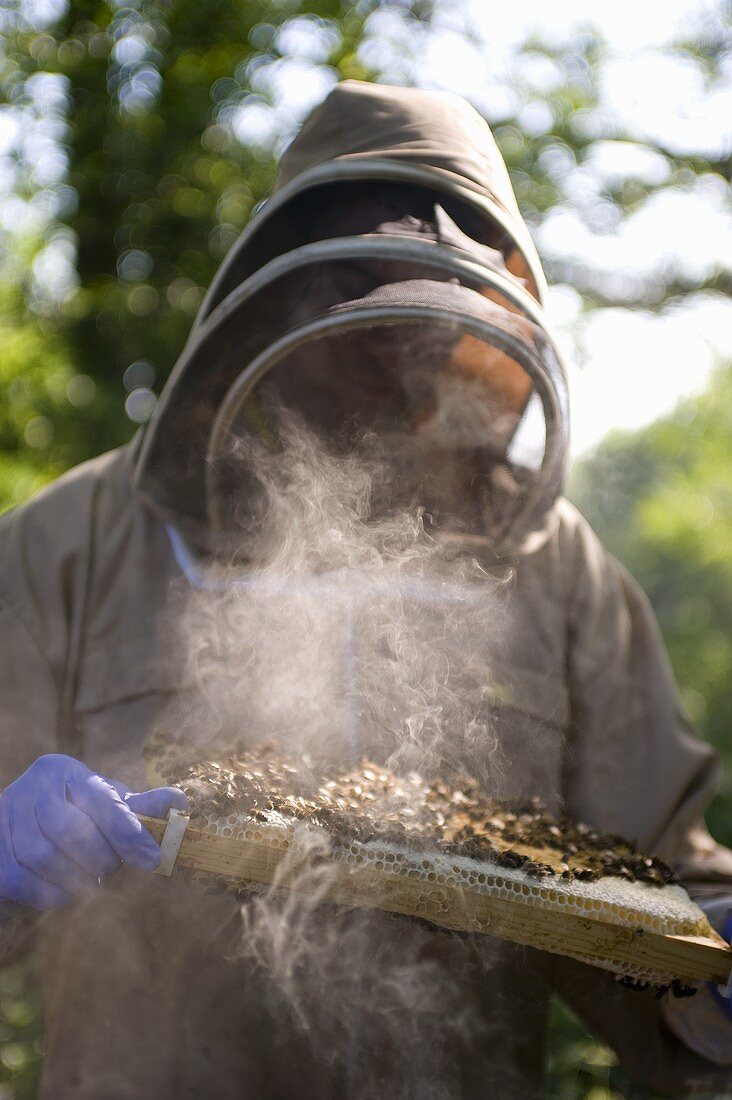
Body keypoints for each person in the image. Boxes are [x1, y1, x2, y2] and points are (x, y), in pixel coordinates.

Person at [0, 80, 731, 1098]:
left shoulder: (559, 568)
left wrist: (711, 952)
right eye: (355, 312)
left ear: (479, 325)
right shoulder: (67, 544)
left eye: (421, 329)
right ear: (273, 298)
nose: (387, 362)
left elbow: (662, 901)